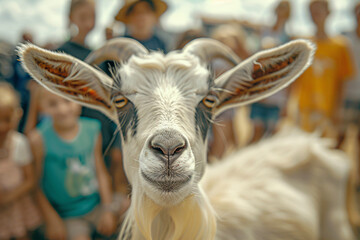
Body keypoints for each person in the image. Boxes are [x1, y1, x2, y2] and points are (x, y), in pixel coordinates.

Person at [29, 89, 118, 240]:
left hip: (95, 205)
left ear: (79, 100)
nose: (62, 110)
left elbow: (101, 172)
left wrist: (107, 209)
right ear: (41, 107)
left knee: (130, 209)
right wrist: (51, 218)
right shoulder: (38, 139)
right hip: (68, 214)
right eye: (52, 104)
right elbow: (35, 184)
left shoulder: (92, 129)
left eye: (67, 101)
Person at [292, 0, 354, 138]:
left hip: (328, 109)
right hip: (305, 108)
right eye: (312, 13)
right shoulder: (303, 44)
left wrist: (338, 109)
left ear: (328, 13)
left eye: (319, 11)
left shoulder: (341, 45)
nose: (315, 16)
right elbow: (296, 79)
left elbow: (342, 81)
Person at [0, 82, 42, 240]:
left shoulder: (19, 143)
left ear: (17, 115)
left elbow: (30, 179)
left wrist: (8, 197)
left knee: (23, 234)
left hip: (17, 204)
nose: (2, 126)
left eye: (6, 119)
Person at [249, 0, 292, 143]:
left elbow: (290, 72)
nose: (281, 12)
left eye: (285, 9)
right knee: (256, 133)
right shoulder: (263, 31)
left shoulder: (289, 38)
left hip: (277, 94)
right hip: (259, 91)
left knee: (272, 136)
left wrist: (287, 102)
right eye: (280, 8)